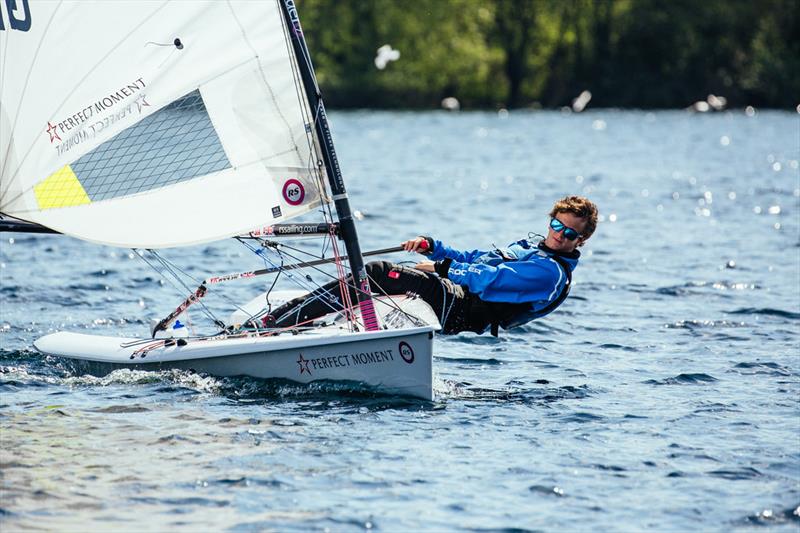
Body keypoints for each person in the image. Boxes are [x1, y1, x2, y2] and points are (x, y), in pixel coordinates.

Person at [264, 195, 598, 336]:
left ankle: (276, 324)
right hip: (455, 296)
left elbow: (488, 280)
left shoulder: (550, 273)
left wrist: (440, 269)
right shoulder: (529, 248)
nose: (559, 236)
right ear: (550, 221)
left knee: (380, 273)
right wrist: (435, 248)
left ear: (580, 241)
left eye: (570, 233)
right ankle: (291, 319)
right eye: (557, 226)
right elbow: (476, 257)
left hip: (462, 311)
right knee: (377, 280)